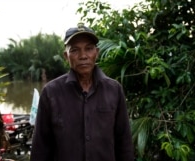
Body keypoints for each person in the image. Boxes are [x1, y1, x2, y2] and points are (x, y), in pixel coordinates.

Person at [30, 23, 134, 161]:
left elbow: (124, 143)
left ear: (96, 53)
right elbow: (40, 148)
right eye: (75, 50)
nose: (83, 56)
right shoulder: (51, 92)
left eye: (89, 49)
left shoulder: (114, 90)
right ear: (66, 56)